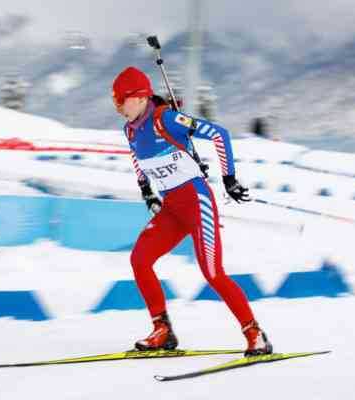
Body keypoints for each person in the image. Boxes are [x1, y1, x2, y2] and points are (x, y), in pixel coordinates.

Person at [112, 66, 273, 356]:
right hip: (171, 208)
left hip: (198, 204)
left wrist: (229, 179)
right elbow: (137, 159)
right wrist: (147, 190)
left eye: (120, 100)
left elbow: (220, 135)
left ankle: (255, 334)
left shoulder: (167, 119)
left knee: (212, 272)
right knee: (140, 259)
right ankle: (162, 330)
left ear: (138, 97)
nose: (118, 107)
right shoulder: (130, 129)